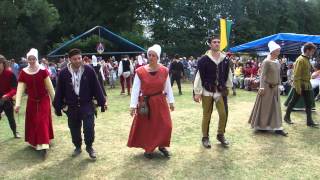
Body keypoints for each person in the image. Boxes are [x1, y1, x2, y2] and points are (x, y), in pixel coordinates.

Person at [53, 48, 107, 160]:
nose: (78, 61)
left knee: (89, 128)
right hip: (71, 107)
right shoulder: (63, 73)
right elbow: (59, 91)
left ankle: (89, 147)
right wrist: (58, 107)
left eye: (79, 58)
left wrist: (102, 102)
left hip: (87, 105)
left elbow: (96, 87)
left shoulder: (89, 70)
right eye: (75, 59)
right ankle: (77, 147)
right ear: (69, 59)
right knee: (74, 129)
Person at [128, 44, 175, 159]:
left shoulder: (164, 70)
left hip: (160, 101)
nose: (151, 57)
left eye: (153, 55)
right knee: (148, 126)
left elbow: (168, 87)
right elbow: (135, 89)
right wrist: (133, 105)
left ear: (158, 57)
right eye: (149, 55)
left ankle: (162, 145)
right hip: (146, 103)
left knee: (166, 125)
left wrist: (171, 101)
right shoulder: (140, 71)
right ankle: (148, 148)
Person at [14, 48, 55, 159]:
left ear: (36, 59)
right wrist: (17, 104)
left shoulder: (42, 70)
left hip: (43, 100)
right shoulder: (24, 72)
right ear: (27, 60)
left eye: (33, 59)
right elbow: (20, 88)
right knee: (34, 122)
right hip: (32, 101)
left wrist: (56, 102)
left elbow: (50, 88)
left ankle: (44, 146)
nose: (31, 61)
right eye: (29, 59)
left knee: (42, 121)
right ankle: (36, 142)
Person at [193, 35, 233, 148]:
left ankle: (220, 135)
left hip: (219, 90)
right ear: (210, 44)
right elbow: (199, 76)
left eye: (218, 42)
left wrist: (228, 86)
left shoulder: (225, 59)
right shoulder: (203, 59)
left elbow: (228, 73)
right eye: (214, 42)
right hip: (207, 90)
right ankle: (205, 137)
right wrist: (197, 92)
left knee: (223, 114)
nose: (217, 44)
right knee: (207, 115)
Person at [249, 41, 287, 136]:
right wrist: (261, 87)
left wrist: (280, 84)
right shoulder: (266, 61)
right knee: (265, 107)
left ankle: (278, 128)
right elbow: (262, 75)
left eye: (279, 50)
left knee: (276, 108)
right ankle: (262, 126)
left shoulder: (277, 62)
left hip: (275, 88)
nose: (279, 52)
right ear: (273, 51)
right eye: (277, 50)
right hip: (266, 87)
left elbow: (278, 74)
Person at [284, 43, 319, 127]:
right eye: (312, 51)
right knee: (293, 101)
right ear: (307, 50)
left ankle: (309, 121)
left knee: (309, 102)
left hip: (307, 84)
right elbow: (296, 75)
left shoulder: (307, 59)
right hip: (300, 84)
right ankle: (286, 117)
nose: (313, 53)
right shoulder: (300, 59)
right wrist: (298, 87)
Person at [0, 55, 20, 138]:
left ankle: (15, 132)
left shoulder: (10, 74)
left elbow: (15, 88)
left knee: (11, 118)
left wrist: (8, 95)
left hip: (7, 100)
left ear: (3, 64)